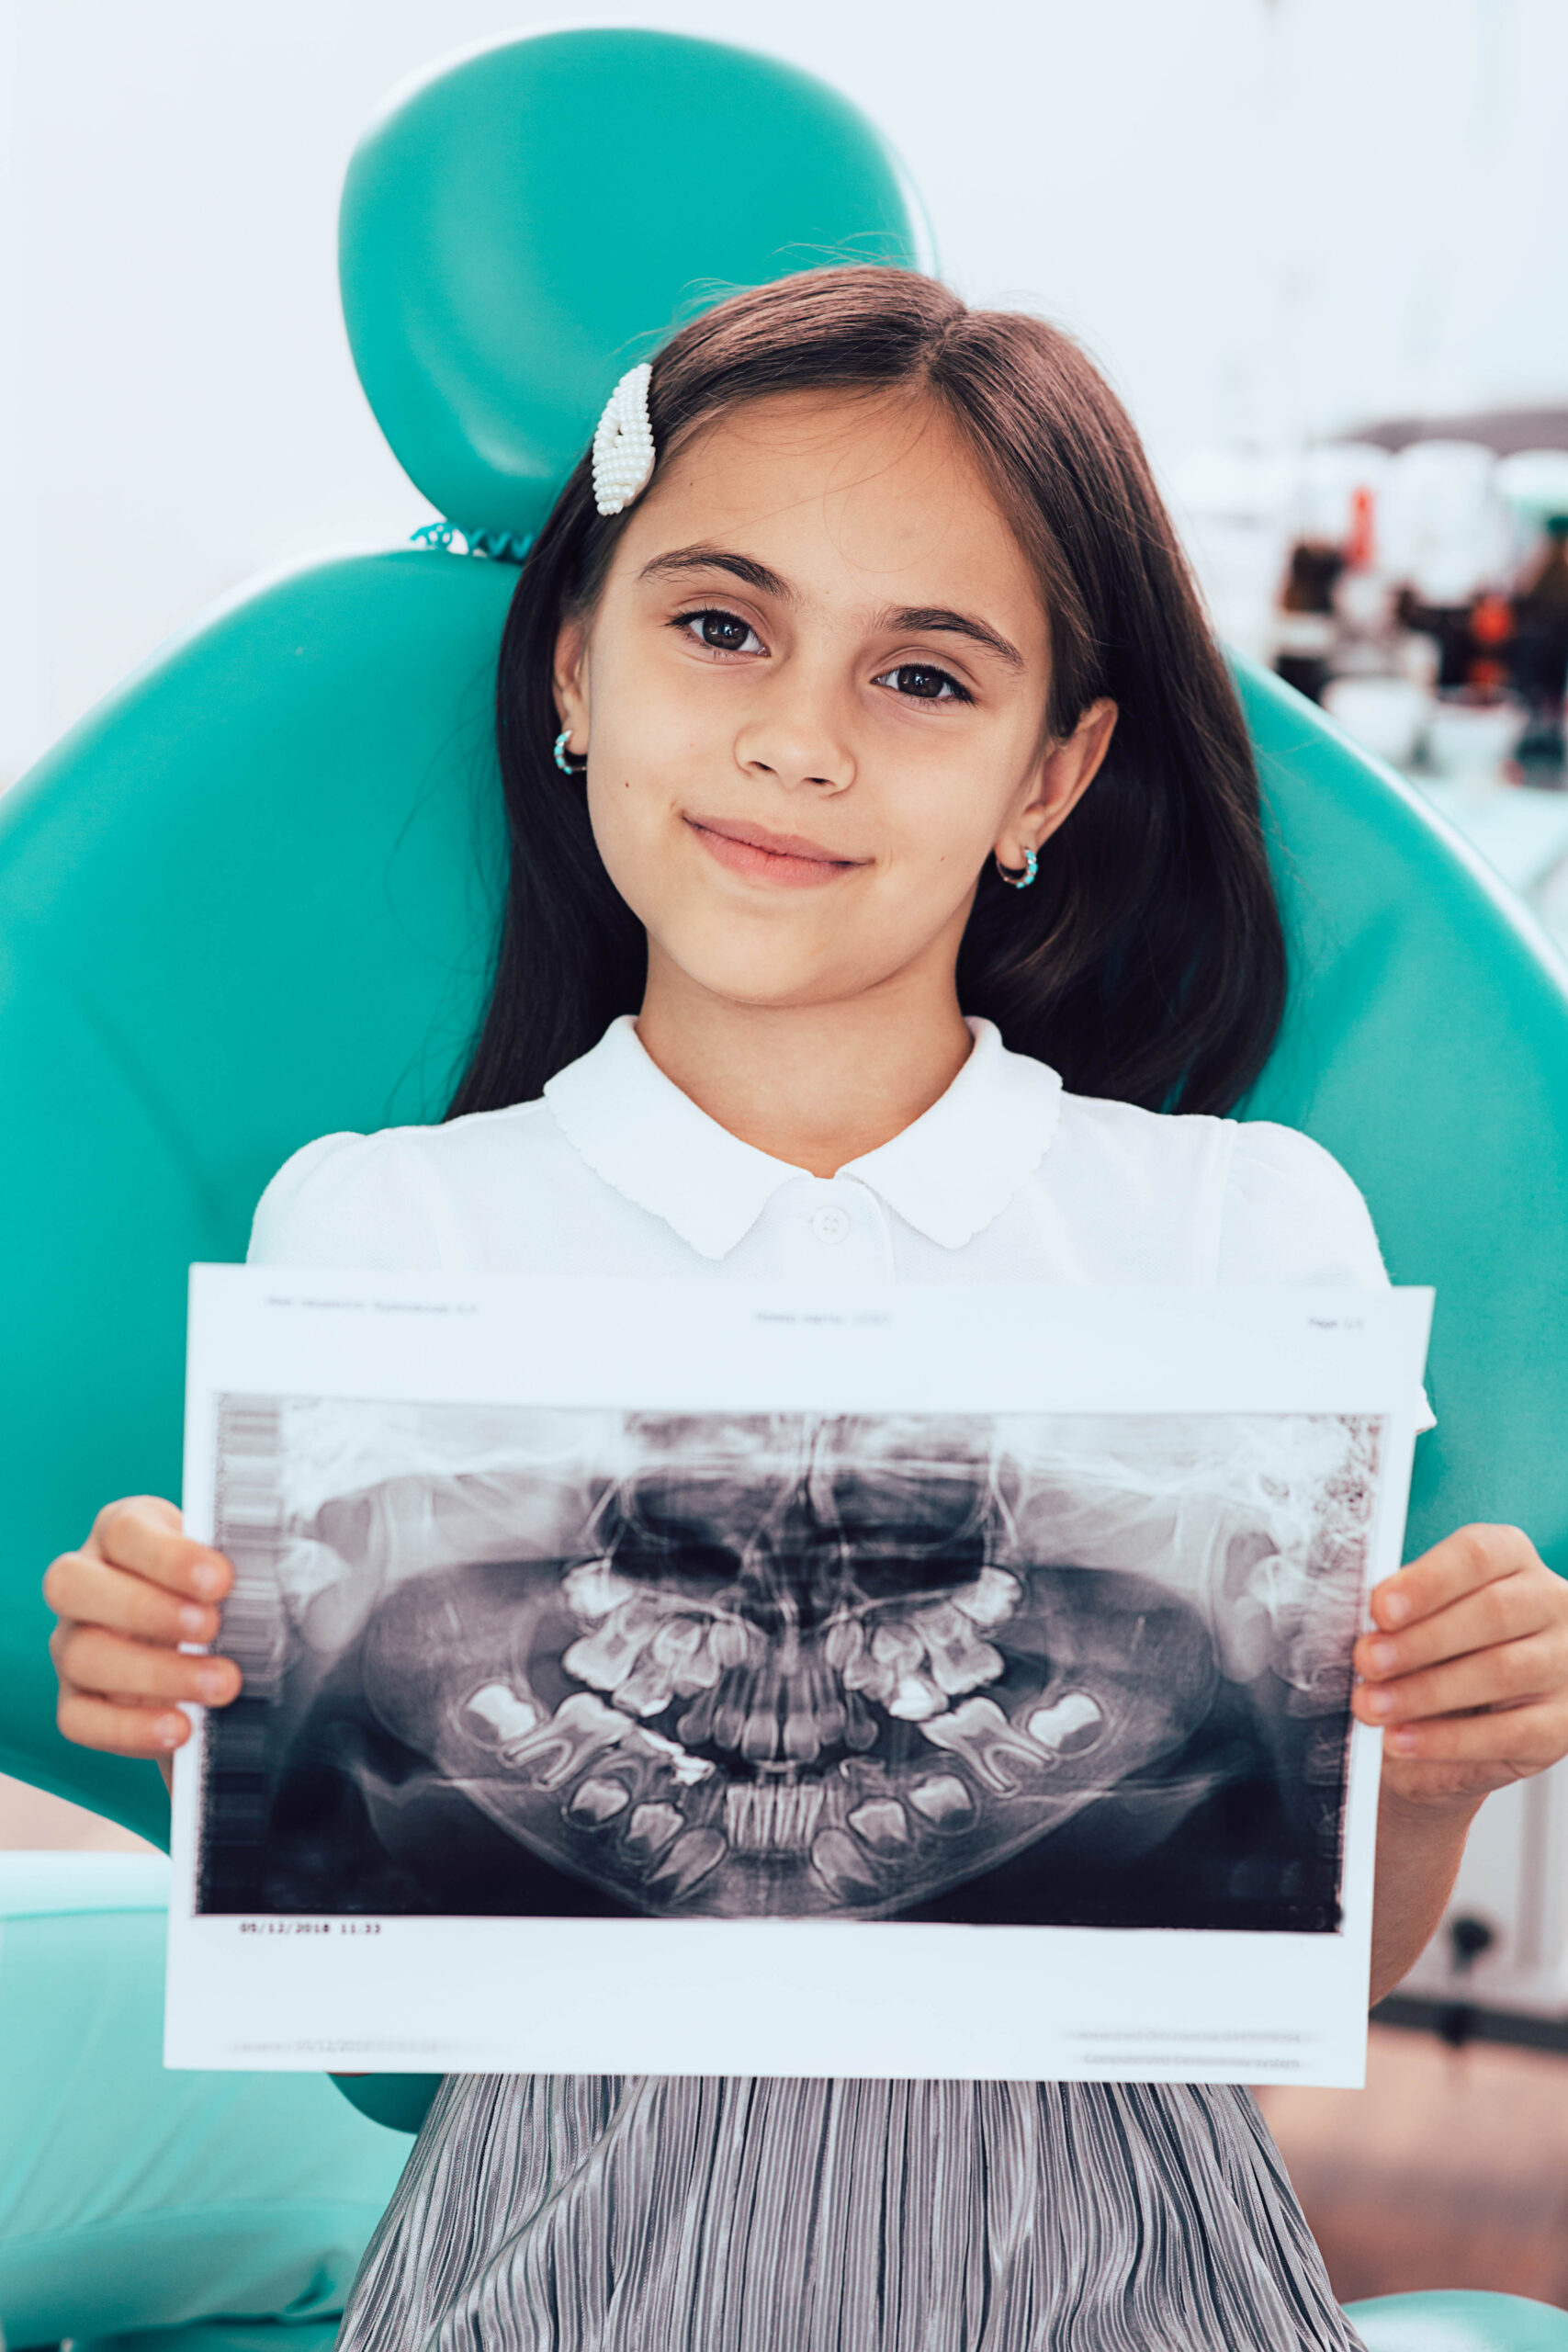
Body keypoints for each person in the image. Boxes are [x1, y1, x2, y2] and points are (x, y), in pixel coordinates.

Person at [42, 266, 1568, 2351]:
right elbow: (378, 2027)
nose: (792, 734)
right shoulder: (391, 1243)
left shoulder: (1239, 1239)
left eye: (923, 677)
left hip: (1124, 2284)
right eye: (718, 625)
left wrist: (1428, 1771)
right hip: (547, 2278)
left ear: (1050, 774)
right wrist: (210, 1715)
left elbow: (1299, 1971)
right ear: (575, 665)